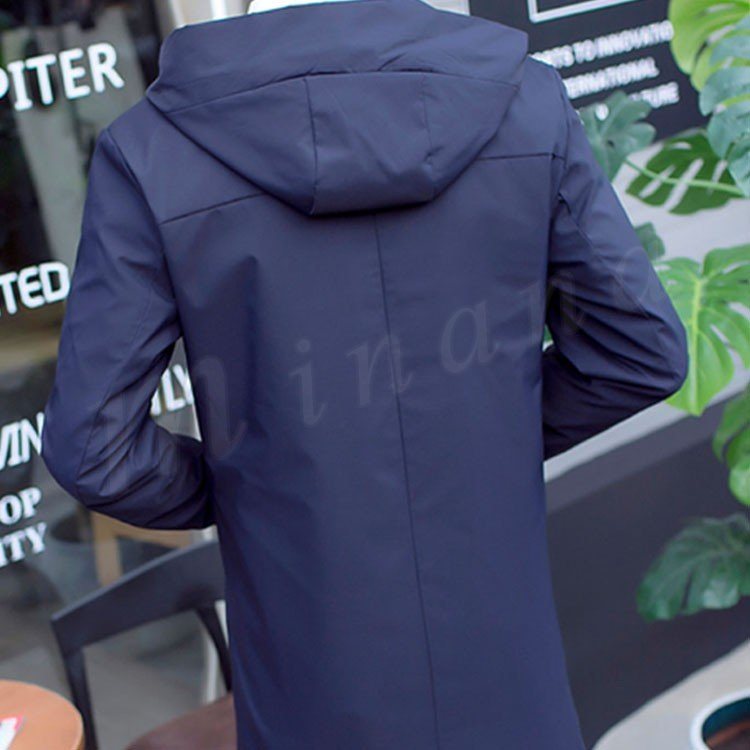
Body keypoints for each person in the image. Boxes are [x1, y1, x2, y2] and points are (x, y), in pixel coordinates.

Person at [41, 0, 688, 747]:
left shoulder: (153, 151)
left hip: (311, 682)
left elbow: (94, 447)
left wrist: (256, 480)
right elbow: (639, 350)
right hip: (504, 667)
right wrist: (491, 433)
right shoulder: (525, 105)